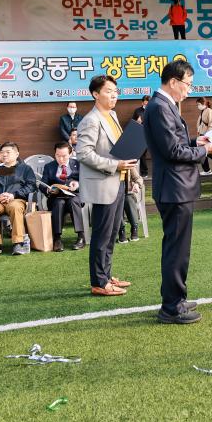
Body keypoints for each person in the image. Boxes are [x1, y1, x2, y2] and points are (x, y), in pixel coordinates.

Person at [144, 61, 212, 323]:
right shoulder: (160, 107)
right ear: (173, 82)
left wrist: (197, 141)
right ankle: (172, 307)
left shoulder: (164, 105)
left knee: (179, 248)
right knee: (177, 250)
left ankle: (177, 299)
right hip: (174, 188)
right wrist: (204, 151)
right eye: (188, 84)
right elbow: (173, 151)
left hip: (177, 187)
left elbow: (177, 142)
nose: (189, 90)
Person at [77, 75, 141, 297]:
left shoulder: (112, 115)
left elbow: (119, 148)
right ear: (95, 94)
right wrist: (115, 165)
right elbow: (83, 154)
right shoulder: (90, 120)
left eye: (116, 91)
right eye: (108, 91)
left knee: (112, 231)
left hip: (119, 181)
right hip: (104, 184)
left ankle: (106, 274)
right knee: (102, 235)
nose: (114, 95)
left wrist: (130, 171)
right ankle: (99, 282)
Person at [0, 142, 37, 257]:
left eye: (8, 152)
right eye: (2, 152)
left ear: (17, 154)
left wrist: (14, 195)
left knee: (15, 207)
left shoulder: (25, 169)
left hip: (16, 199)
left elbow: (31, 186)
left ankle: (18, 243)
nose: (4, 155)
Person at [41, 142, 87, 252]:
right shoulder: (49, 167)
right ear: (55, 154)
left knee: (73, 201)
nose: (61, 159)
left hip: (74, 196)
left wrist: (78, 185)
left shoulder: (78, 164)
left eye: (64, 156)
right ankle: (57, 238)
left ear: (70, 154)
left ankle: (81, 236)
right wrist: (48, 189)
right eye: (58, 156)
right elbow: (43, 184)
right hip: (56, 198)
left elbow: (87, 181)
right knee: (59, 203)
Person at [196, 97, 212, 174]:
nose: (198, 106)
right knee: (204, 153)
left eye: (199, 104)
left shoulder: (209, 111)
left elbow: (211, 124)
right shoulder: (203, 111)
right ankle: (207, 170)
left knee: (205, 153)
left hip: (206, 135)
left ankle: (207, 170)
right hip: (203, 135)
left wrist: (207, 135)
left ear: (203, 104)